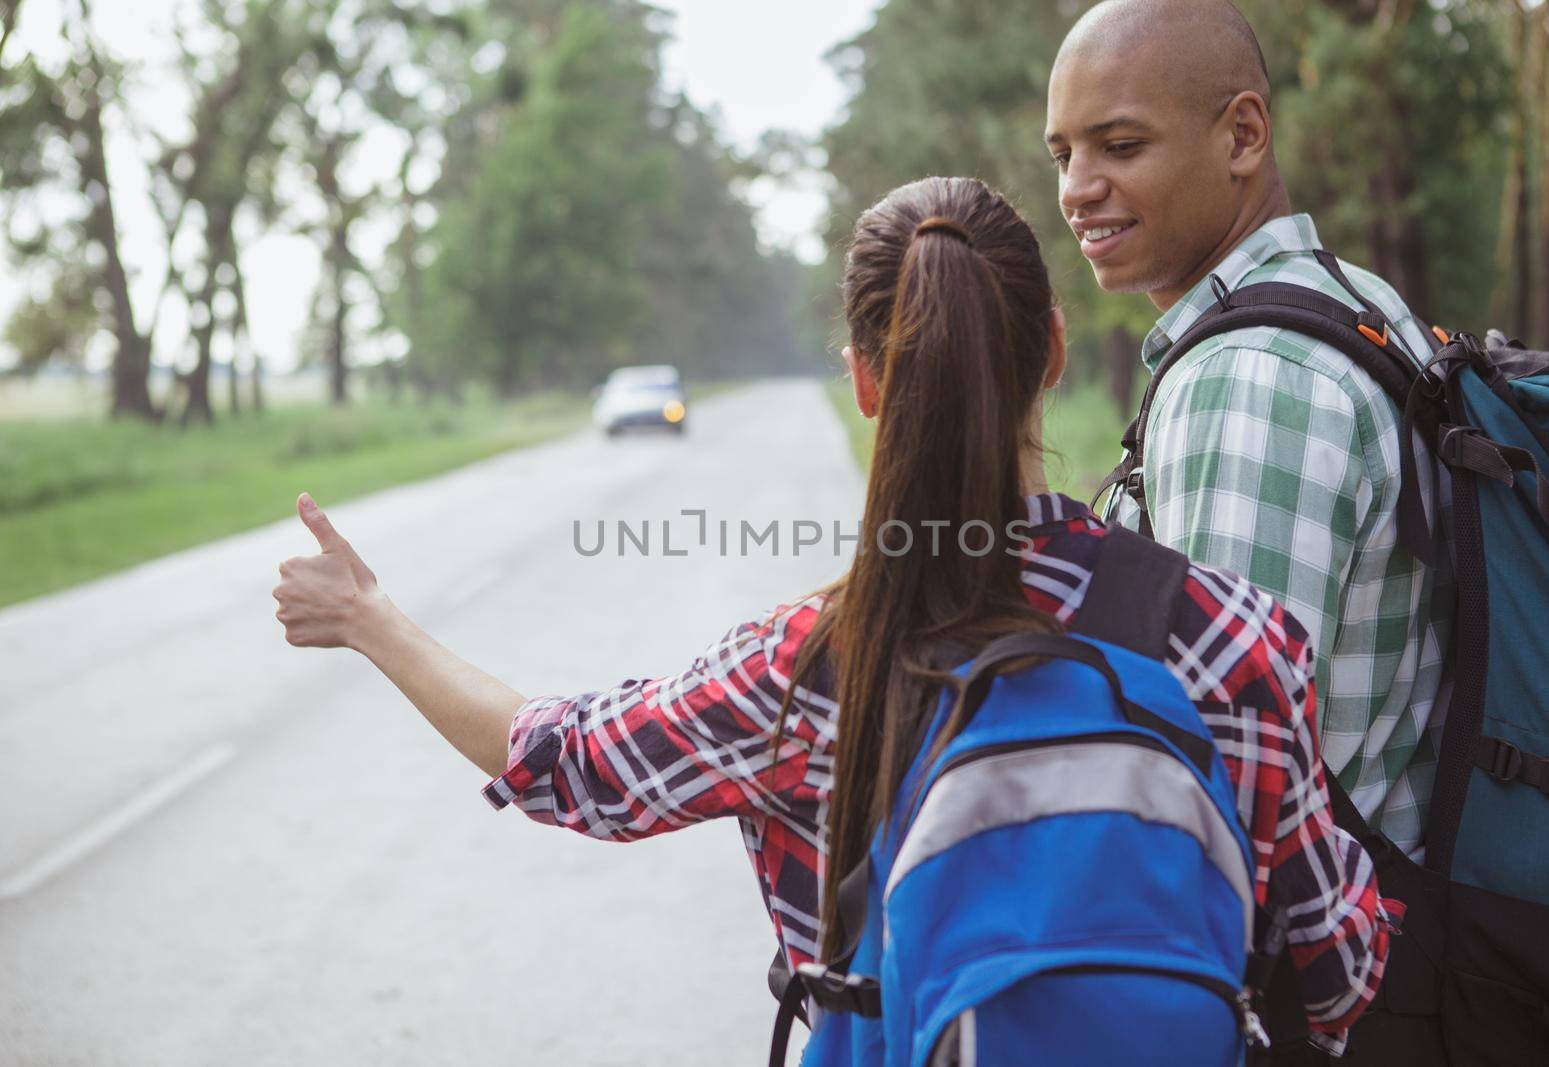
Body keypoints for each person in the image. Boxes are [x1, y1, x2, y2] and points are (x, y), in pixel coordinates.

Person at [272, 176, 1390, 1049]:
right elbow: (1335, 978)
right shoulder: (1228, 636)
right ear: (1049, 350)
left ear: (864, 379)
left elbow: (561, 758)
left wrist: (373, 618)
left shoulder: (806, 669)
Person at [1045, 1, 1448, 1059]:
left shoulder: (1248, 378)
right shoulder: (1350, 301)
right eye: (1063, 151)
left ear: (1241, 136)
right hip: (1396, 940)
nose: (1076, 187)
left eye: (1118, 144)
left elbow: (1222, 776)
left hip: (1315, 1005)